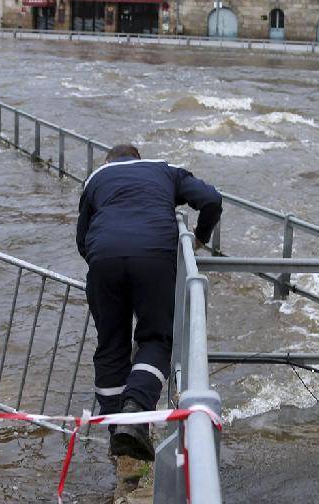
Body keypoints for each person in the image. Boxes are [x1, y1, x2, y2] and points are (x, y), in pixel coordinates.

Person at [75, 144, 222, 460]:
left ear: (108, 161)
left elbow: (81, 239)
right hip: (155, 255)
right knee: (156, 337)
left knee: (111, 344)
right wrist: (199, 238)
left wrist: (107, 264)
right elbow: (211, 199)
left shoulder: (97, 178)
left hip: (104, 258)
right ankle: (137, 410)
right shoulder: (165, 170)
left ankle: (118, 429)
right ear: (138, 159)